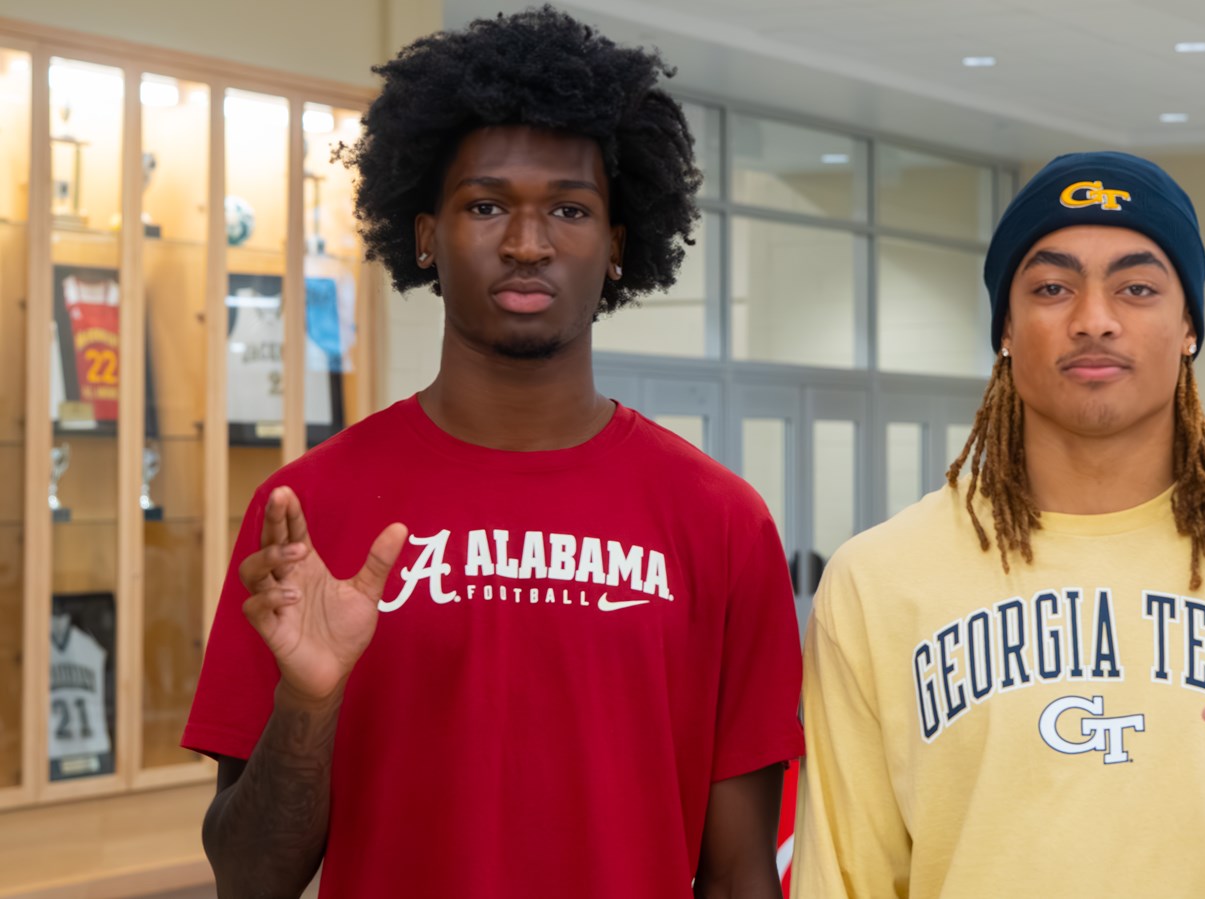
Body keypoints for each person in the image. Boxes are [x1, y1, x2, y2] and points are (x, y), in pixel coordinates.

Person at [182, 9, 803, 897]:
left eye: (569, 209)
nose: (526, 243)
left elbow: (741, 876)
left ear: (617, 247)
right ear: (424, 235)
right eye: (485, 205)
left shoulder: (721, 522)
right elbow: (249, 878)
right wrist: (307, 705)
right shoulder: (306, 512)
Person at [794, 151, 1205, 897]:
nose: (1094, 320)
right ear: (1006, 327)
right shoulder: (877, 580)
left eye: (1137, 288)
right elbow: (841, 878)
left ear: (1189, 326)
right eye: (1052, 288)